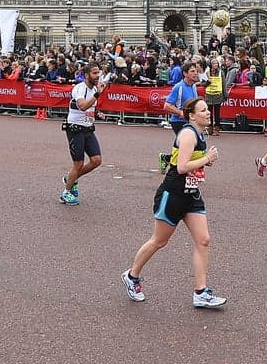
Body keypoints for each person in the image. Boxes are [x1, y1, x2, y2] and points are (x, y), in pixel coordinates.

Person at [122, 97, 226, 308]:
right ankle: (132, 276)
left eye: (208, 110)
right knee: (159, 241)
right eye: (203, 110)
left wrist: (205, 160)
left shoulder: (199, 134)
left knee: (203, 240)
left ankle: (200, 292)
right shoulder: (188, 133)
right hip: (173, 194)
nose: (208, 113)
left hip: (191, 194)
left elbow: (191, 164)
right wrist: (207, 158)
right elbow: (181, 167)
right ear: (192, 115)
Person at [60, 64, 103, 205]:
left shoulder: (95, 89)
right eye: (94, 73)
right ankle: (66, 193)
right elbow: (83, 106)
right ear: (86, 75)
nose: (97, 75)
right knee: (78, 163)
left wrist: (97, 113)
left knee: (96, 160)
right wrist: (97, 95)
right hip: (75, 128)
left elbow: (89, 108)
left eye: (98, 72)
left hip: (88, 127)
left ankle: (71, 178)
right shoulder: (79, 88)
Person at [159, 63, 198, 174]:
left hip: (190, 122)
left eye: (196, 71)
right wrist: (180, 112)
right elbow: (167, 105)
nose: (195, 73)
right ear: (185, 73)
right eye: (192, 71)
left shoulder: (193, 86)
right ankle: (177, 171)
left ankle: (167, 159)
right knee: (187, 146)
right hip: (178, 122)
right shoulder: (178, 87)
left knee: (188, 147)